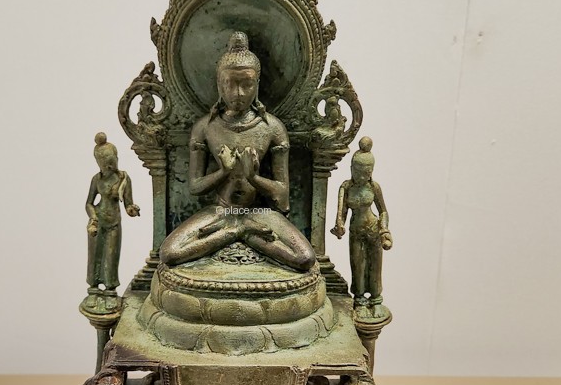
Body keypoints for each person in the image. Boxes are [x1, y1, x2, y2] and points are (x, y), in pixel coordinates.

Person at [158, 31, 315, 272]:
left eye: (246, 84)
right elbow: (195, 187)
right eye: (229, 84)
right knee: (169, 252)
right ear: (219, 84)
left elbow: (282, 193)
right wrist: (223, 172)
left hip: (259, 211)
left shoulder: (272, 128)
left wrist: (253, 177)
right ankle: (237, 232)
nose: (238, 93)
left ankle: (240, 230)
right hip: (220, 210)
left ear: (257, 84)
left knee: (304, 257)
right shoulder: (205, 127)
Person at [331, 137, 391, 310]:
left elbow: (383, 211)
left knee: (375, 266)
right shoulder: (346, 187)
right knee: (358, 266)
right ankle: (359, 298)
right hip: (356, 231)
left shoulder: (374, 187)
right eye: (358, 172)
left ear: (371, 171)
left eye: (366, 173)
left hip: (373, 229)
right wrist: (339, 225)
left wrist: (384, 229)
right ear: (352, 169)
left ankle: (376, 298)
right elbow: (342, 212)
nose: (362, 176)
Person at [86, 133, 139, 296]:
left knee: (111, 256)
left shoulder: (123, 178)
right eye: (106, 164)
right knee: (95, 255)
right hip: (98, 221)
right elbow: (89, 203)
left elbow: (128, 203)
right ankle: (94, 286)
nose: (110, 166)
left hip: (114, 221)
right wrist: (93, 218)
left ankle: (110, 288)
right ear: (100, 163)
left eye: (112, 161)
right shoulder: (96, 179)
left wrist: (131, 209)